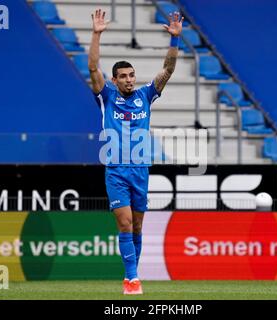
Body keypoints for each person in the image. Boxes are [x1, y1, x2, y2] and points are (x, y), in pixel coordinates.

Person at [88, 9, 183, 294]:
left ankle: (133, 274)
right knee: (125, 223)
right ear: (114, 80)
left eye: (131, 75)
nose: (129, 79)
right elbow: (93, 69)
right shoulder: (106, 97)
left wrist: (175, 41)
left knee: (138, 228)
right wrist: (96, 34)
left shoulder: (145, 96)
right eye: (123, 76)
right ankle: (132, 280)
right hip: (116, 170)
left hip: (141, 169)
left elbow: (167, 70)